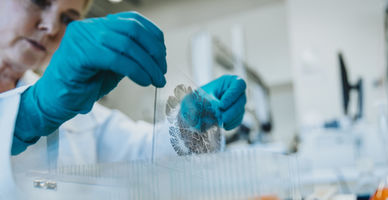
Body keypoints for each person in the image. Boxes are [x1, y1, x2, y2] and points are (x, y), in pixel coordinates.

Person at [0, 0, 246, 184]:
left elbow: (141, 153)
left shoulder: (76, 111)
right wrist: (27, 116)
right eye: (39, 2)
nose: (51, 27)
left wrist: (189, 126)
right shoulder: (48, 102)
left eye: (67, 19)